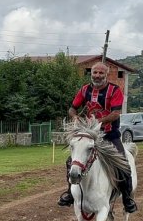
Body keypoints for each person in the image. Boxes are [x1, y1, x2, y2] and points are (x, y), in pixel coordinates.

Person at [57, 62, 137, 213]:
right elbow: (72, 109)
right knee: (71, 161)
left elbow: (115, 114)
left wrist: (97, 122)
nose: (97, 76)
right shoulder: (85, 90)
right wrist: (74, 117)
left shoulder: (114, 90)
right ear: (91, 73)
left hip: (110, 136)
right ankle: (70, 193)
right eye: (95, 73)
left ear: (106, 74)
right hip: (91, 137)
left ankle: (127, 199)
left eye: (101, 73)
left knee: (124, 165)